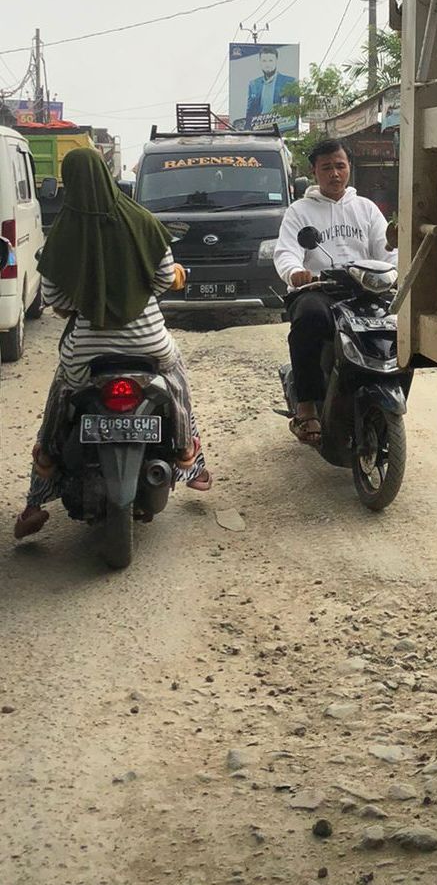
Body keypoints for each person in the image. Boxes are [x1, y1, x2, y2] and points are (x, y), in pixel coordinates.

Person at [14, 147, 210, 540]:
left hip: (88, 347)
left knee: (61, 397)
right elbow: (162, 278)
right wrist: (136, 298)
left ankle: (39, 491)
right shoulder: (141, 221)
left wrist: (88, 304)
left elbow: (55, 298)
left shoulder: (63, 233)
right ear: (107, 177)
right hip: (148, 340)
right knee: (176, 379)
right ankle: (189, 452)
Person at [274, 139, 397, 446]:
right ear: (314, 171)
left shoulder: (366, 209)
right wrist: (295, 273)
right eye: (326, 167)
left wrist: (396, 274)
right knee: (309, 319)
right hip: (318, 289)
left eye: (340, 166)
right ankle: (306, 406)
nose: (334, 173)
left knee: (394, 323)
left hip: (364, 290)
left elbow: (387, 251)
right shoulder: (299, 211)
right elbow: (286, 252)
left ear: (349, 169)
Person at [244, 46, 295, 127]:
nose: (267, 64)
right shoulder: (253, 84)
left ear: (276, 61)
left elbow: (294, 110)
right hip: (260, 131)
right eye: (264, 61)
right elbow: (250, 112)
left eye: (271, 60)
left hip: (281, 129)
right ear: (260, 62)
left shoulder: (289, 82)